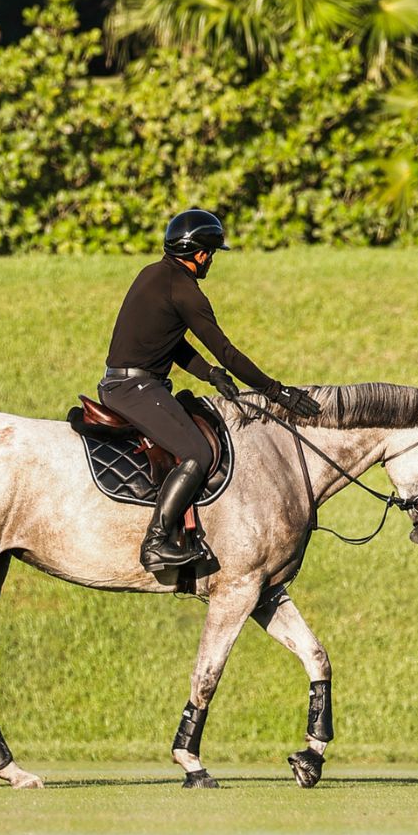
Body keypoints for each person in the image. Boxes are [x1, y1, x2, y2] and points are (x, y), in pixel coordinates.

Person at [99, 208, 322, 572]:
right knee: (197, 453)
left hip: (122, 380)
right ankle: (155, 542)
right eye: (212, 254)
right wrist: (275, 391)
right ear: (200, 254)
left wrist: (209, 374)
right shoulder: (187, 292)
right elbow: (228, 352)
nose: (211, 261)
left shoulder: (152, 274)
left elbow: (167, 341)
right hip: (135, 387)